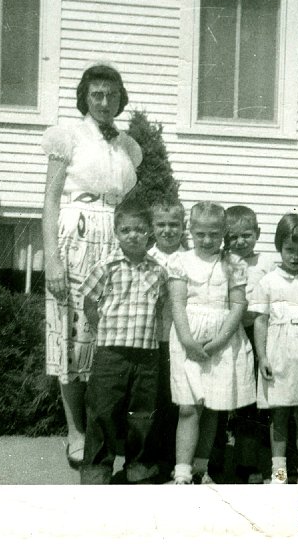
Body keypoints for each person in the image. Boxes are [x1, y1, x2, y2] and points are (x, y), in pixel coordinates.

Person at [41, 63, 142, 468]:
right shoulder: (68, 137)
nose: (105, 102)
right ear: (85, 97)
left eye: (112, 95)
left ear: (121, 98)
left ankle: (104, 427)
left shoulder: (128, 146)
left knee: (109, 335)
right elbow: (50, 201)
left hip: (114, 238)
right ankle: (75, 431)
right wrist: (51, 257)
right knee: (71, 334)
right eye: (97, 94)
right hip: (75, 236)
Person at [79, 198, 168, 484]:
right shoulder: (106, 267)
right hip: (111, 352)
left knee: (142, 415)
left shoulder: (158, 270)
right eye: (127, 229)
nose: (133, 235)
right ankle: (97, 469)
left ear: (149, 233)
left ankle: (139, 467)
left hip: (146, 354)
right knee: (103, 411)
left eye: (140, 230)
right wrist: (99, 330)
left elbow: (160, 306)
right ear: (116, 232)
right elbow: (90, 302)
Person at [168, 202, 256, 484]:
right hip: (188, 336)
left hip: (222, 338)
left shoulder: (234, 263)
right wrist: (186, 339)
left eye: (214, 234)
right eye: (201, 234)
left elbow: (238, 305)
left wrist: (220, 341)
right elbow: (178, 303)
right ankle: (181, 470)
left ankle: (200, 469)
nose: (207, 240)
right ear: (190, 230)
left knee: (212, 407)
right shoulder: (180, 262)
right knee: (188, 406)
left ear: (223, 233)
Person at [251, 214, 298, 485]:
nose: (295, 256)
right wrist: (262, 357)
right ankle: (279, 474)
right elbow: (261, 320)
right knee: (279, 413)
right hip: (278, 350)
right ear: (279, 247)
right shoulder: (269, 281)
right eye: (289, 250)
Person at [225, 205, 278, 484]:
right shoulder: (222, 261)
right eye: (233, 237)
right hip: (230, 333)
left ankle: (255, 461)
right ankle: (225, 458)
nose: (240, 241)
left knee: (257, 401)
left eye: (246, 235)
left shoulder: (266, 262)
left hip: (259, 331)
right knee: (232, 396)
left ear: (257, 233)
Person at [145, 191, 187, 482]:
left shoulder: (190, 259)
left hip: (181, 339)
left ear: (183, 227)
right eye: (161, 224)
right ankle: (153, 459)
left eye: (174, 224)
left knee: (179, 400)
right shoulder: (146, 258)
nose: (168, 230)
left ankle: (176, 458)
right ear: (152, 227)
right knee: (155, 399)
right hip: (153, 338)